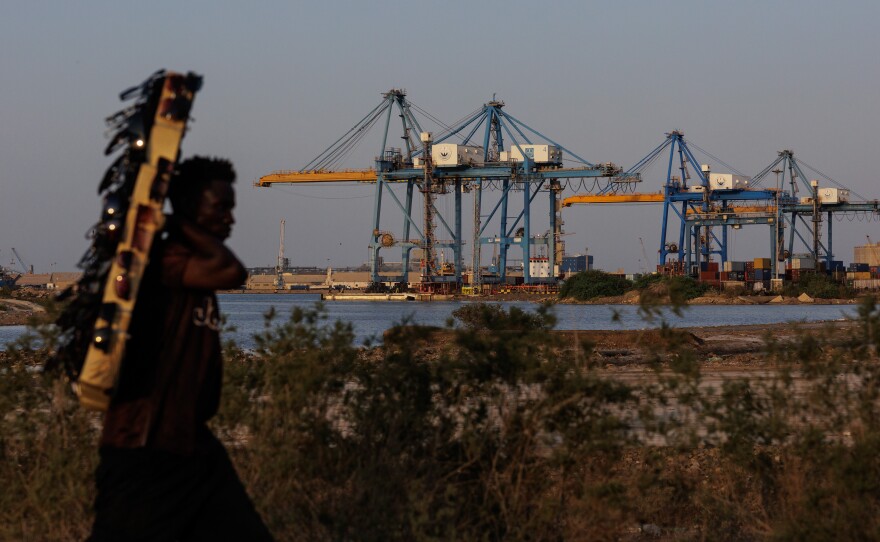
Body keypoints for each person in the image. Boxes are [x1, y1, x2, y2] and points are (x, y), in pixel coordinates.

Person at [89, 156, 273, 541]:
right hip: (145, 451)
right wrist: (172, 222)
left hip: (193, 447)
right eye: (220, 208)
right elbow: (232, 271)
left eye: (231, 209)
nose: (230, 219)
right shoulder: (165, 260)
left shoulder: (190, 265)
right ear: (190, 209)